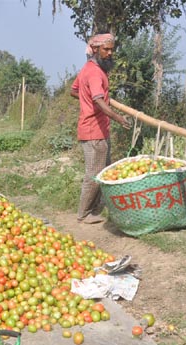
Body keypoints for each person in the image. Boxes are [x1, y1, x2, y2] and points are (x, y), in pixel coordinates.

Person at [70, 33, 130, 224]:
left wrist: (86, 98)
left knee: (103, 170)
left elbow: (74, 90)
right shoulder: (95, 73)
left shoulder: (88, 68)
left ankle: (98, 208)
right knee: (94, 173)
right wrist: (119, 118)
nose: (110, 53)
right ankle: (84, 213)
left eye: (112, 49)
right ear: (95, 50)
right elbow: (98, 101)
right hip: (93, 130)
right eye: (106, 49)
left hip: (97, 129)